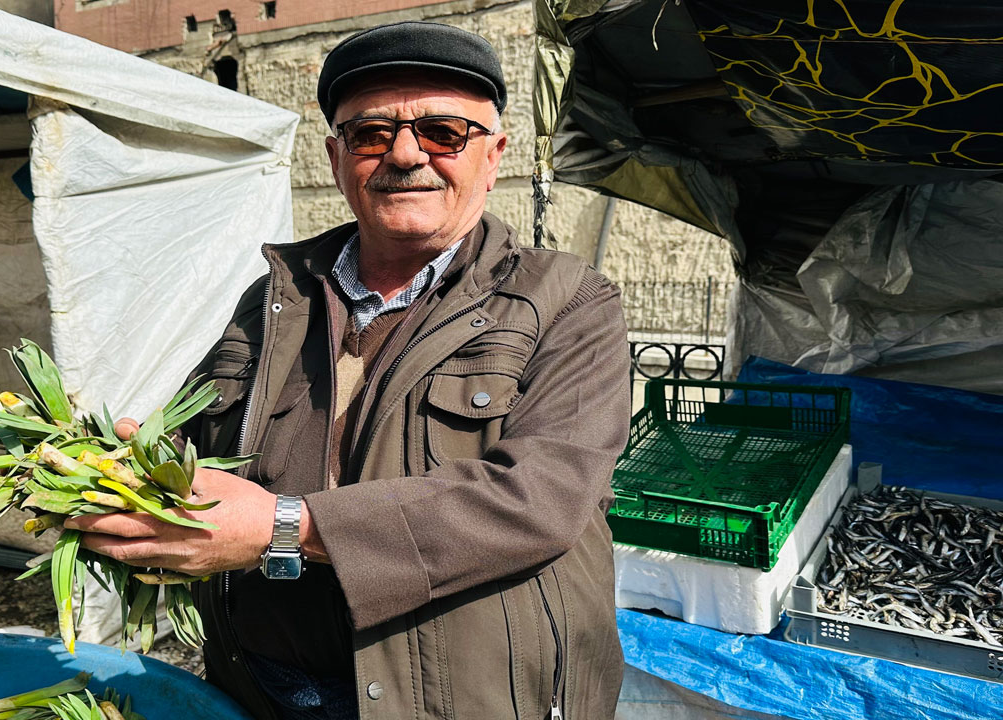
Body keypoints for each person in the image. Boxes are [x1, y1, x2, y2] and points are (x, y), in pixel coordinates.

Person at [69, 21, 630, 720]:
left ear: (493, 156)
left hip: (460, 701)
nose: (405, 154)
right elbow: (199, 445)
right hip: (264, 689)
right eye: (371, 134)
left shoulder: (568, 300)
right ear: (337, 159)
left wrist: (285, 526)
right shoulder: (276, 297)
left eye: (444, 133)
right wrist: (113, 475)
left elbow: (539, 500)